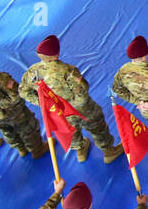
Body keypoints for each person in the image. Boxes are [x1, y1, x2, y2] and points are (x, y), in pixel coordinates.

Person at [20, 34, 124, 163]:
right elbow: (82, 93)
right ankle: (108, 151)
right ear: (57, 54)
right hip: (81, 110)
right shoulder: (68, 70)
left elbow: (23, 92)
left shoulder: (31, 72)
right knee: (97, 127)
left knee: (70, 130)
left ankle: (80, 151)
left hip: (57, 112)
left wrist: (45, 104)